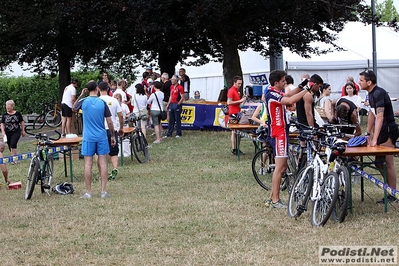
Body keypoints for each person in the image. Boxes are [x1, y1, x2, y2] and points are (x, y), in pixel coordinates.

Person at [264, 70, 311, 208]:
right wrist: (307, 90)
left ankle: (272, 197)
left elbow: (290, 94)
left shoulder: (276, 91)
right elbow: (290, 100)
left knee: (282, 166)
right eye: (283, 80)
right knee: (280, 167)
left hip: (281, 132)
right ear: (276, 82)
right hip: (278, 133)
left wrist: (301, 86)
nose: (286, 82)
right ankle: (275, 200)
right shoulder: (271, 94)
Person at [359, 70, 399, 203]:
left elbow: (380, 116)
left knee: (388, 162)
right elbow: (372, 114)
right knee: (378, 162)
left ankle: (393, 194)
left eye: (361, 80)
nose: (359, 83)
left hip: (388, 129)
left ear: (369, 82)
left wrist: (375, 139)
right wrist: (368, 133)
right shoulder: (370, 94)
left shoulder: (379, 93)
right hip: (380, 130)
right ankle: (390, 189)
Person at [73, 81, 116, 199]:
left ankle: (88, 192)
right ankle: (103, 191)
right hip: (101, 136)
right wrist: (112, 135)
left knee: (88, 163)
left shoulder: (83, 102)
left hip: (88, 137)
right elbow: (110, 121)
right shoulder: (102, 102)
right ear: (97, 88)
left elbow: (73, 107)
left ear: (87, 89)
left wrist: (81, 95)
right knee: (103, 163)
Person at [98, 82, 124, 180]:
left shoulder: (97, 101)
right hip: (112, 129)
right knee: (114, 151)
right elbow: (120, 115)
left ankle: (102, 174)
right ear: (108, 89)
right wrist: (121, 127)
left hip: (100, 129)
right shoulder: (114, 100)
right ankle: (115, 168)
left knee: (101, 153)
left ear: (98, 89)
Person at [227, 76, 247, 155]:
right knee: (234, 131)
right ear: (234, 83)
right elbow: (229, 102)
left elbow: (238, 102)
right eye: (238, 83)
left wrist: (242, 100)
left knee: (235, 132)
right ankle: (234, 149)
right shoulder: (231, 91)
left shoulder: (236, 91)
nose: (240, 85)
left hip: (237, 112)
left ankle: (235, 148)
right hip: (233, 113)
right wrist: (240, 100)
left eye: (241, 84)